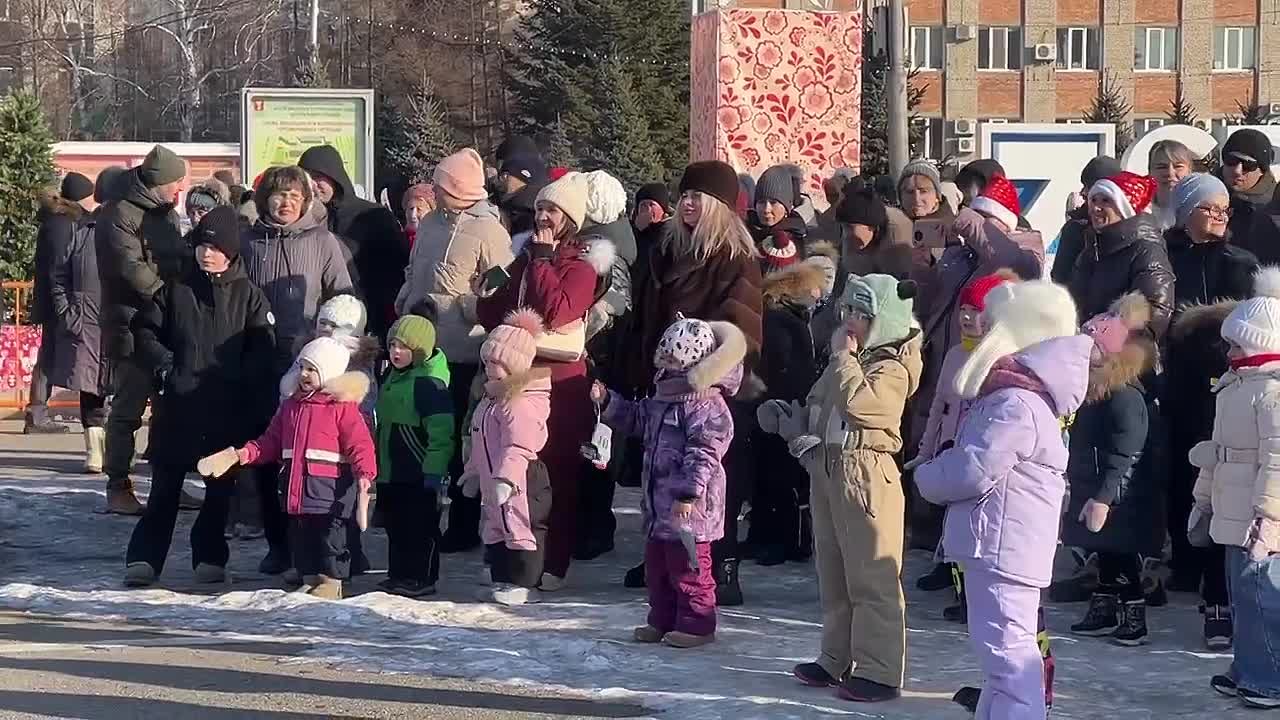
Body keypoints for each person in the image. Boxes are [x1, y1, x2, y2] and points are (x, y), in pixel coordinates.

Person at [916, 279, 1089, 720]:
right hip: (999, 542)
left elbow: (973, 469)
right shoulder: (1018, 398)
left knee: (1010, 658)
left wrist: (928, 475)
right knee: (1001, 661)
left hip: (1001, 546)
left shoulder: (1015, 403)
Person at [765, 273, 921, 703]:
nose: (849, 320)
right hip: (830, 469)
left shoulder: (891, 366)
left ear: (883, 319)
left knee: (872, 576)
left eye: (861, 313)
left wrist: (844, 360)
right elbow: (821, 402)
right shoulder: (846, 360)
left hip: (868, 474)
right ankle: (836, 656)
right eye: (847, 310)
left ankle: (880, 669)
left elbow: (867, 408)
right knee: (833, 573)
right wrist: (789, 420)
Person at [614, 160, 763, 605]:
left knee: (710, 479)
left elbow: (741, 331)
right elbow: (645, 317)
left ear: (719, 204)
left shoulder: (734, 258)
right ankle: (662, 556)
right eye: (686, 195)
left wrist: (705, 376)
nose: (689, 203)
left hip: (711, 391)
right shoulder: (666, 249)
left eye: (699, 196)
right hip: (662, 381)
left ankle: (719, 565)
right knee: (661, 471)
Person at [122, 206, 276, 588]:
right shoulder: (175, 290)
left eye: (215, 247)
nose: (206, 253)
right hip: (179, 406)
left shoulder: (250, 296)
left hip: (226, 411)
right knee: (164, 490)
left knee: (218, 492)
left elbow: (263, 350)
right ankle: (143, 558)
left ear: (231, 251)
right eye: (201, 246)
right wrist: (165, 367)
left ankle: (209, 555)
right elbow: (144, 333)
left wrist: (241, 382)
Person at [475, 171, 601, 591]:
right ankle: (520, 559)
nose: (543, 217)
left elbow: (559, 310)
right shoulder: (526, 256)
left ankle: (556, 562)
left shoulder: (581, 265)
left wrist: (544, 260)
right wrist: (485, 295)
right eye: (540, 209)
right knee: (521, 472)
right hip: (519, 379)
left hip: (561, 383)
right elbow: (496, 310)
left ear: (570, 218)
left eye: (553, 210)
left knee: (557, 474)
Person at [908, 176, 1043, 550]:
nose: (972, 227)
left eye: (985, 219)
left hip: (987, 364)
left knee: (970, 447)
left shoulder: (1023, 249)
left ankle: (959, 547)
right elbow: (933, 300)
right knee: (936, 438)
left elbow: (1004, 258)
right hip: (946, 357)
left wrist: (965, 217)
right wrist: (921, 268)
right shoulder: (958, 253)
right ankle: (934, 537)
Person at [396, 148, 515, 555]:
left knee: (460, 441)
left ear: (459, 188)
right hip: (422, 344)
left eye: (443, 183)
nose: (436, 189)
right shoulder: (430, 223)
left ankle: (464, 525)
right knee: (424, 434)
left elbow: (500, 287)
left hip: (463, 349)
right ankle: (423, 513)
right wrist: (406, 298)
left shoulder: (490, 230)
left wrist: (469, 307)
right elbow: (414, 269)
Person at [598, 317, 743, 649]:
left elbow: (705, 451)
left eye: (674, 361)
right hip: (657, 505)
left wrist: (689, 493)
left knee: (689, 567)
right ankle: (661, 620)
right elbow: (638, 419)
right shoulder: (663, 396)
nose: (666, 365)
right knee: (658, 568)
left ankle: (697, 623)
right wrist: (609, 402)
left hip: (690, 509)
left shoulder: (706, 404)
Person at [240, 165, 355, 575]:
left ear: (306, 200)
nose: (285, 202)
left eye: (293, 195)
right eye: (277, 194)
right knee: (270, 456)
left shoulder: (323, 242)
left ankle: (332, 548)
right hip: (258, 360)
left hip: (309, 365)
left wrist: (333, 347)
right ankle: (278, 544)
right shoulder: (249, 241)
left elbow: (343, 300)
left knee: (315, 458)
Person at [1163, 174, 1258, 645]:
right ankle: (1183, 564)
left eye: (1224, 208)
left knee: (1221, 487)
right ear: (1186, 213)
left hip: (1228, 389)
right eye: (1209, 207)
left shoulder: (1240, 263)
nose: (1220, 215)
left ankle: (1216, 590)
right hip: (1180, 387)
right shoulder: (1167, 256)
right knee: (1182, 479)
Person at [1190, 269, 1280, 709]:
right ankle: (1247, 666)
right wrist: (1202, 499)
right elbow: (1217, 450)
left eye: (1236, 345)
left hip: (1258, 519)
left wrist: (1269, 518)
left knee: (1263, 597)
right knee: (1241, 595)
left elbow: (1277, 462)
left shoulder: (1273, 393)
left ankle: (1269, 677)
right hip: (1231, 510)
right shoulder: (1233, 389)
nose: (1228, 353)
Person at [231, 336, 376, 599]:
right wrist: (244, 454)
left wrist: (366, 473)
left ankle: (332, 581)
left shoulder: (342, 408)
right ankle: (311, 577)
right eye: (302, 367)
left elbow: (360, 444)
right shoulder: (290, 407)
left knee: (330, 537)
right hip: (296, 487)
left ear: (329, 373)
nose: (305, 374)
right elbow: (270, 441)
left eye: (312, 369)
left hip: (329, 489)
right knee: (302, 537)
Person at [96, 145, 190, 515]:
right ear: (158, 182)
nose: (180, 192)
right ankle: (118, 484)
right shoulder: (118, 213)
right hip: (131, 325)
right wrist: (168, 297)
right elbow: (130, 267)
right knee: (127, 411)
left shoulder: (164, 213)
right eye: (176, 184)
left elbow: (177, 257)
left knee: (171, 410)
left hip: (164, 323)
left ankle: (169, 483)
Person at [908, 272, 1013, 602]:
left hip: (979, 454)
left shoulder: (1001, 361)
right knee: (948, 516)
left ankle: (971, 590)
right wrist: (926, 451)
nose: (967, 317)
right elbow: (939, 406)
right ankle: (951, 574)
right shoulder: (955, 355)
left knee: (973, 523)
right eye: (964, 310)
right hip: (949, 447)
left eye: (976, 310)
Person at [1066, 294, 1161, 646]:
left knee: (1121, 553)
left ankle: (1133, 613)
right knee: (1103, 550)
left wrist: (1106, 495)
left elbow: (1127, 450)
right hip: (1096, 483)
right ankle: (1104, 606)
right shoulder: (1096, 391)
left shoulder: (1124, 396)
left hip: (1120, 494)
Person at [461, 308, 553, 605]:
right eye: (486, 361)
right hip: (492, 477)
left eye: (497, 363)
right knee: (496, 525)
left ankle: (525, 581)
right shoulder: (491, 399)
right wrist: (473, 471)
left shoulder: (519, 402)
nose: (489, 368)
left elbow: (520, 444)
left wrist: (507, 478)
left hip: (520, 478)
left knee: (521, 525)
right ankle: (502, 576)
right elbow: (480, 439)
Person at [748, 262, 824, 566]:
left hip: (780, 405)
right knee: (778, 477)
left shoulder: (783, 319)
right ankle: (778, 539)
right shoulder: (785, 320)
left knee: (778, 478)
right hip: (785, 403)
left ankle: (781, 540)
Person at [372, 314, 453, 597]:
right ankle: (399, 574)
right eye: (393, 344)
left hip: (418, 469)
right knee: (396, 526)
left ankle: (422, 577)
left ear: (420, 349)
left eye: (404, 347)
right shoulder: (391, 376)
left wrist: (435, 469)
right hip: (391, 467)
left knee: (420, 527)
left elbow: (442, 432)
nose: (396, 352)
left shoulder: (430, 384)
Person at [298, 144, 406, 339]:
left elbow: (394, 273)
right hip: (315, 324)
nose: (313, 185)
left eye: (318, 177)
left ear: (334, 176)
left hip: (363, 322)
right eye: (307, 179)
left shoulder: (373, 216)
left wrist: (378, 322)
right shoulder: (300, 222)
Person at [40, 180, 112, 471]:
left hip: (121, 323)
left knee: (122, 390)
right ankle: (95, 453)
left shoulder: (134, 233)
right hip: (87, 321)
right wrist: (68, 312)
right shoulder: (83, 231)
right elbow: (59, 275)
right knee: (91, 387)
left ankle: (120, 450)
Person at [26, 173, 95, 435]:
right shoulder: (63, 223)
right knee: (51, 355)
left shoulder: (61, 220)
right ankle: (37, 413)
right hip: (60, 302)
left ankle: (38, 411)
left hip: (56, 300)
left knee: (52, 354)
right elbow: (59, 266)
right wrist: (63, 304)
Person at [1069, 172, 1174, 341]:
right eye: (1093, 200)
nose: (1096, 208)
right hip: (1087, 350)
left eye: (1106, 201)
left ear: (1124, 207)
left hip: (1124, 359)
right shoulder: (1091, 249)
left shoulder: (1146, 249)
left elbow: (1156, 310)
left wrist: (1113, 342)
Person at [1050, 156, 1123, 285]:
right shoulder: (1075, 229)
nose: (1083, 192)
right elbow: (1060, 279)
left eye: (1088, 187)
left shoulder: (1134, 230)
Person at [832, 187, 912, 281]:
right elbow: (853, 275)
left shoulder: (897, 235)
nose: (846, 235)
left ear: (872, 227)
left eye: (849, 227)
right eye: (844, 227)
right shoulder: (852, 236)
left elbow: (902, 284)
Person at [1217, 129, 1277, 248]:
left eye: (1248, 164)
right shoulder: (1200, 196)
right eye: (1231, 160)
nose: (1237, 171)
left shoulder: (1275, 208)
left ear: (1262, 170)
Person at [748, 164, 808, 274]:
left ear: (787, 207)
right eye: (761, 202)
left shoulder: (793, 243)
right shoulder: (745, 232)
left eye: (773, 202)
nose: (766, 209)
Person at [1147, 140, 1196, 231]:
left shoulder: (1198, 211)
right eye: (1161, 167)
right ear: (1150, 171)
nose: (1170, 173)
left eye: (1178, 166)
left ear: (1189, 170)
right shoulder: (1139, 211)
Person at [495, 153, 548, 237]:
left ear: (506, 176)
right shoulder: (539, 204)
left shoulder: (520, 212)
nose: (501, 180)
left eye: (503, 175)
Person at [632, 182, 672, 258]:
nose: (648, 209)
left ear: (662, 209)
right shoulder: (629, 231)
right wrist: (637, 231)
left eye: (652, 205)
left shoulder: (671, 233)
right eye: (643, 205)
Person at [402, 183, 435, 251]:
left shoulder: (438, 241)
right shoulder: (398, 240)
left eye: (419, 209)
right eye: (411, 208)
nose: (413, 215)